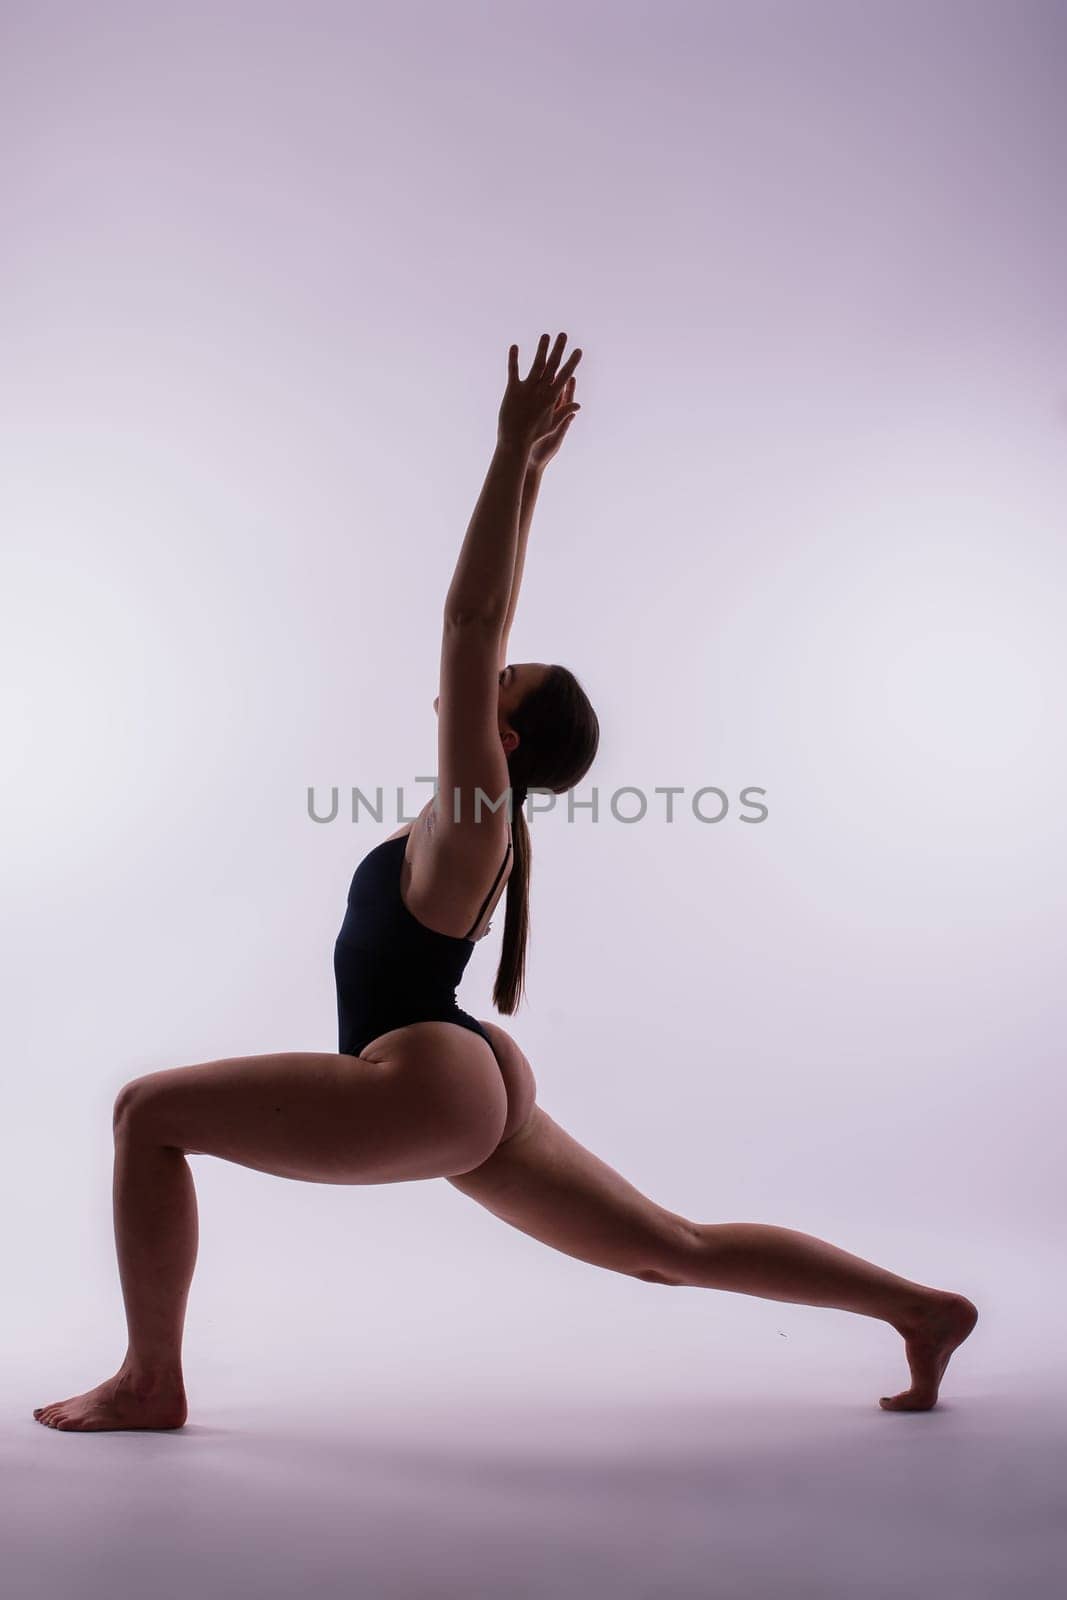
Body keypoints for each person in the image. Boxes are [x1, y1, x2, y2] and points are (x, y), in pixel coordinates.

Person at [34, 333, 977, 1432]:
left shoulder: (475, 818)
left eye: (499, 684)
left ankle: (150, 1383)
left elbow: (470, 623)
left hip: (424, 1078)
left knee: (147, 1112)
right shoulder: (473, 826)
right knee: (669, 1249)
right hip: (470, 1074)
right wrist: (530, 476)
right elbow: (486, 634)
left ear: (504, 728)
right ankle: (915, 1308)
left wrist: (502, 452)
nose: (475, 676)